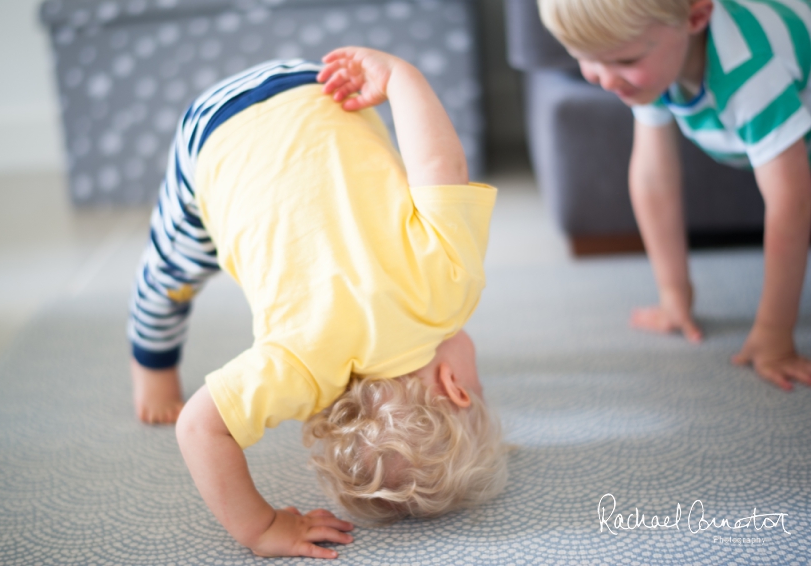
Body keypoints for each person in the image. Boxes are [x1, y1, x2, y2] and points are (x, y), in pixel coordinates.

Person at [126, 47, 508, 558]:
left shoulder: (451, 282)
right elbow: (198, 427)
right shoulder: (300, 368)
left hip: (319, 88)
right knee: (169, 274)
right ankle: (152, 374)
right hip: (212, 140)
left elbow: (440, 164)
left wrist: (398, 77)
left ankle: (151, 368)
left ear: (456, 388)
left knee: (170, 271)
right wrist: (260, 527)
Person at [538, 0, 811, 390]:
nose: (607, 80)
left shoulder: (751, 73)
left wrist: (775, 331)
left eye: (625, 60)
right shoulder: (655, 60)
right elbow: (653, 178)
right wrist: (673, 291)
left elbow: (793, 203)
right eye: (586, 59)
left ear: (697, 18)